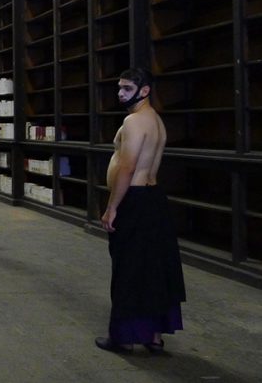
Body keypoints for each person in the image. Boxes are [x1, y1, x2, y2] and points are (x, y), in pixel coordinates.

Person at [95, 68, 185, 354]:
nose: (120, 93)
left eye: (126, 88)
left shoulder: (134, 121)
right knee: (154, 268)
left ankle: (123, 337)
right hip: (152, 199)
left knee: (128, 269)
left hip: (133, 199)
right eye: (119, 87)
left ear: (144, 90)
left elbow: (127, 166)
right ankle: (153, 336)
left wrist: (112, 207)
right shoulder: (156, 120)